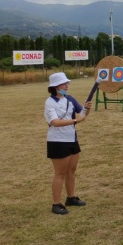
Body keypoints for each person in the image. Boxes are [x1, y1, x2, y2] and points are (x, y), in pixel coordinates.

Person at [44, 72, 92, 215]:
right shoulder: (50, 102)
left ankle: (71, 198)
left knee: (71, 171)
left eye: (67, 83)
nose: (67, 85)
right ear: (55, 86)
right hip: (57, 141)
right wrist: (76, 121)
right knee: (60, 173)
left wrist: (86, 108)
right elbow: (55, 122)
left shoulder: (70, 99)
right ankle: (56, 203)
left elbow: (81, 114)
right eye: (63, 83)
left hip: (72, 139)